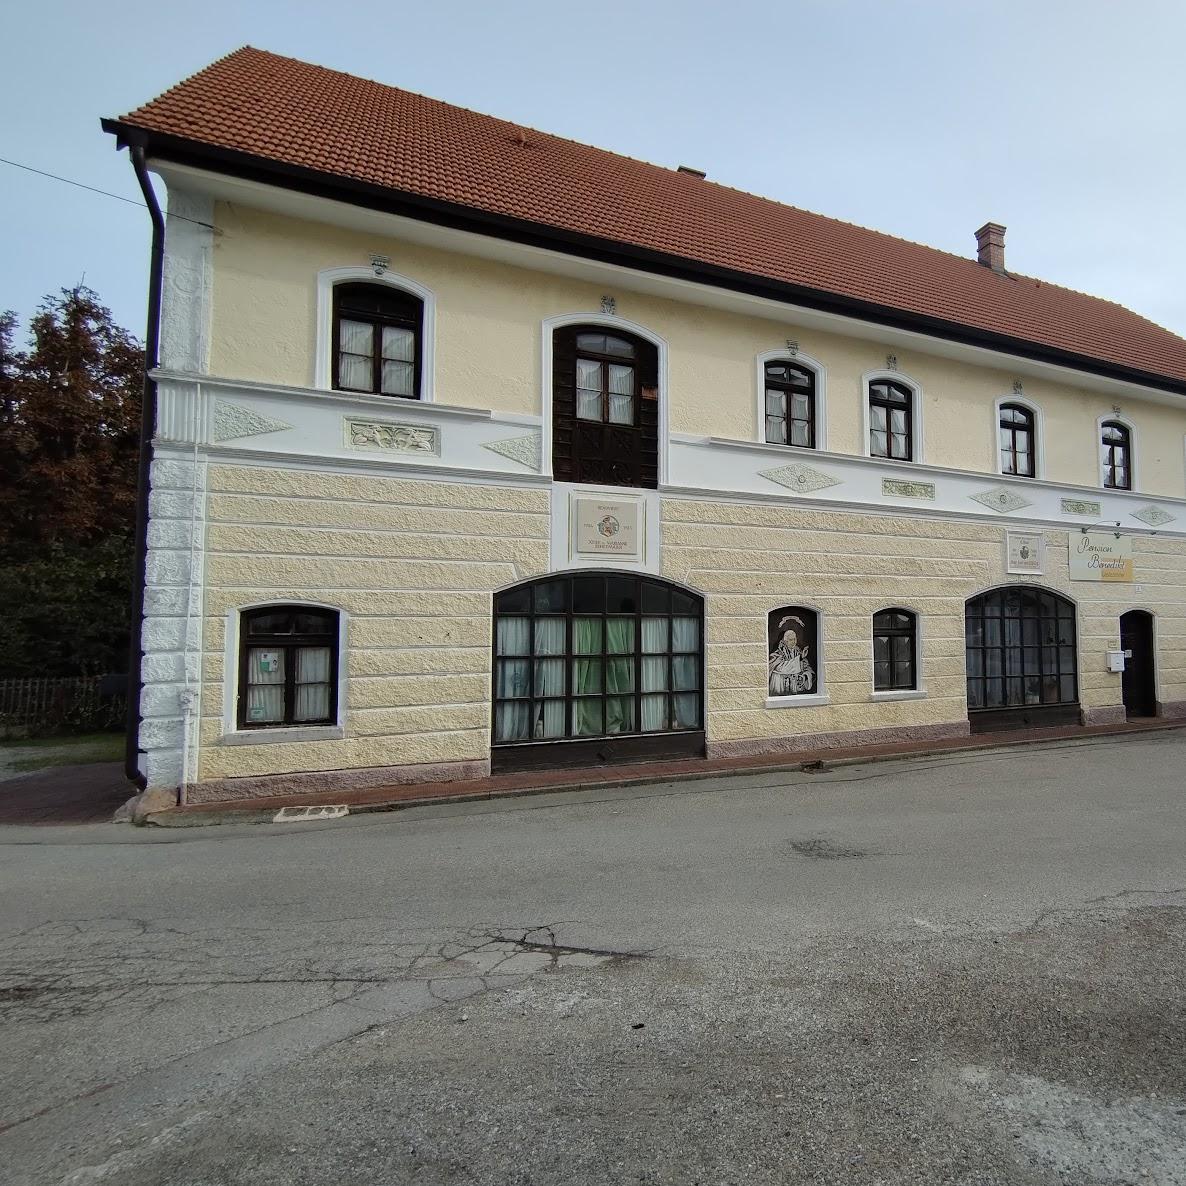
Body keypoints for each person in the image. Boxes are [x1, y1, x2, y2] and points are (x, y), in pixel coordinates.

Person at [768, 615, 815, 696]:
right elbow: (782, 667)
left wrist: (804, 676)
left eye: (794, 639)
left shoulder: (798, 652)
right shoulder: (777, 654)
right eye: (791, 640)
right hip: (782, 688)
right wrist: (800, 658)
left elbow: (807, 668)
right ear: (785, 641)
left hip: (796, 688)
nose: (793, 642)